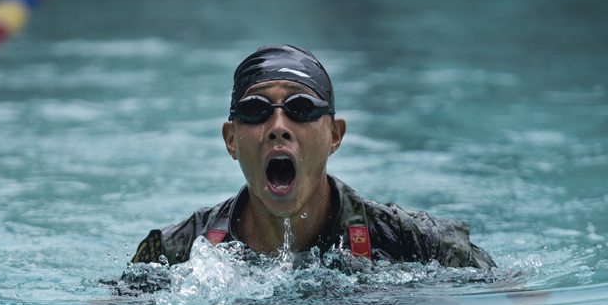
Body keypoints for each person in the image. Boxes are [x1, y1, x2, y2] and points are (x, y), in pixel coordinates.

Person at [131, 44, 495, 270]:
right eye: (256, 109)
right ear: (231, 140)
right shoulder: (179, 251)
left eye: (301, 107)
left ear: (335, 135)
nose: (278, 126)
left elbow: (514, 295)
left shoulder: (409, 241)